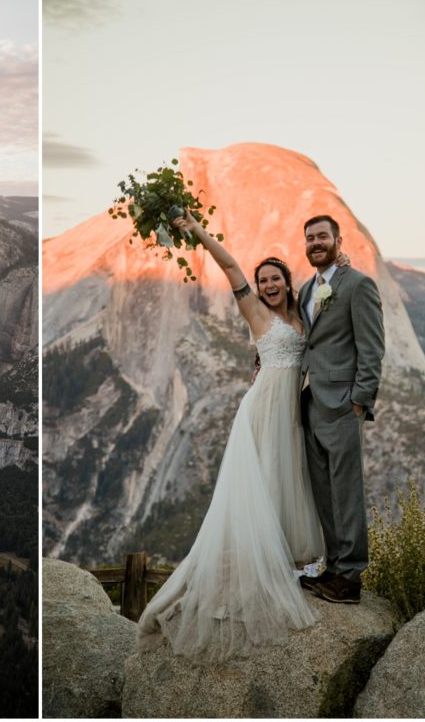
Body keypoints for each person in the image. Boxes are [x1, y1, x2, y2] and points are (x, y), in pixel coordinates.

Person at [136, 211, 335, 662]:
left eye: (273, 279)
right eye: (262, 280)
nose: (266, 285)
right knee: (261, 489)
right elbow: (230, 267)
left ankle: (277, 566)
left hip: (291, 412)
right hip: (263, 410)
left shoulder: (304, 313)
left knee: (285, 487)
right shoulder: (256, 311)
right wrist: (195, 229)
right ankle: (243, 579)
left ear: (287, 282)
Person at [297, 215, 384, 605]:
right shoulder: (305, 289)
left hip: (343, 406)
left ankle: (351, 577)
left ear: (337, 240)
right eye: (310, 238)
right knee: (323, 491)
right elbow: (308, 342)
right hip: (311, 403)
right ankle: (333, 567)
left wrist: (359, 401)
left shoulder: (358, 285)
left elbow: (372, 348)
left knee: (346, 492)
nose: (316, 243)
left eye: (322, 237)